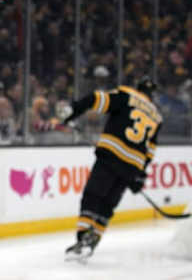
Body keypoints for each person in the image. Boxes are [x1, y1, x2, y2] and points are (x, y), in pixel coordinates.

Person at [60, 76, 162, 262]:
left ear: (138, 87)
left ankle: (83, 238)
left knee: (93, 196)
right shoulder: (156, 116)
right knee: (107, 204)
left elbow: (96, 99)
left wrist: (73, 111)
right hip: (132, 167)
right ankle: (94, 239)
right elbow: (150, 150)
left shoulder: (127, 95)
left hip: (112, 156)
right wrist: (140, 175)